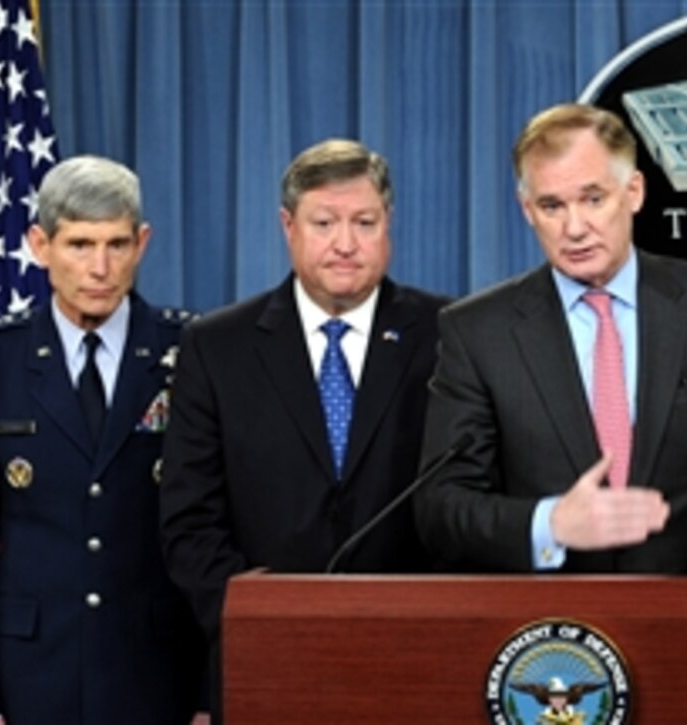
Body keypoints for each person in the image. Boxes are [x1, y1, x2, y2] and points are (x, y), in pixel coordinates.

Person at [413, 103, 687, 574]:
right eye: (552, 206)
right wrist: (548, 523)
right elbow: (441, 508)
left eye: (593, 199)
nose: (574, 228)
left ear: (633, 192)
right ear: (526, 210)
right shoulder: (477, 333)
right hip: (548, 633)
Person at [159, 139, 447, 713]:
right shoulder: (217, 346)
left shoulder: (449, 335)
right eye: (324, 222)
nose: (345, 244)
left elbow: (468, 497)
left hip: (416, 654)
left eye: (364, 222)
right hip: (263, 658)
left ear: (388, 224)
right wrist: (259, 614)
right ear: (288, 225)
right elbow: (189, 520)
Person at [0, 156, 206, 724]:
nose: (101, 267)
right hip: (28, 678)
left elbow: (214, 531)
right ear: (39, 245)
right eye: (79, 245)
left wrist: (208, 693)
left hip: (157, 675)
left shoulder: (192, 353)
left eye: (117, 244)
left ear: (142, 243)